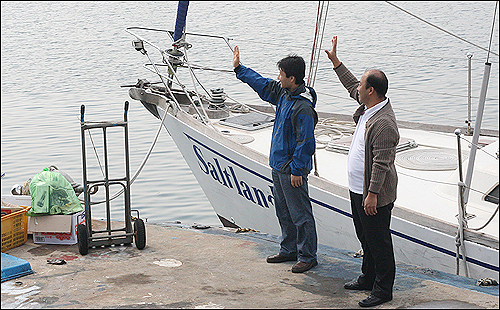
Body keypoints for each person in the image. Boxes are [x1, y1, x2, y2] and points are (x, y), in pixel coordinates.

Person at [325, 36, 399, 307]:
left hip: (373, 194)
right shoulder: (369, 106)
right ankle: (367, 278)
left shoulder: (384, 123)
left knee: (379, 242)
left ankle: (382, 290)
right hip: (358, 188)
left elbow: (382, 163)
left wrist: (372, 194)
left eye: (361, 85)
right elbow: (350, 86)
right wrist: (336, 63)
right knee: (364, 237)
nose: (357, 87)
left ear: (371, 91)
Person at [232, 46, 319, 273]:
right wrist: (240, 69)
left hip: (291, 170)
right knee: (283, 211)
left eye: (281, 74)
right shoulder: (284, 93)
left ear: (292, 78)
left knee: (300, 215)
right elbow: (262, 84)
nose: (278, 78)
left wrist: (298, 171)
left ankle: (308, 256)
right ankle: (289, 249)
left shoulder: (303, 106)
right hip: (278, 166)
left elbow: (306, 142)